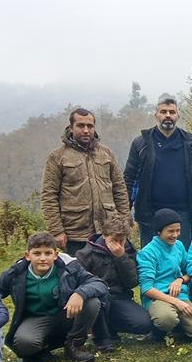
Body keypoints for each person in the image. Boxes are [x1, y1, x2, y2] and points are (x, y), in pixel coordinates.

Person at [0, 232, 108, 362]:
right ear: (27, 255)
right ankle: (43, 348)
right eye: (37, 253)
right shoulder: (16, 272)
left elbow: (98, 283)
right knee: (23, 345)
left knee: (91, 302)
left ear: (55, 255)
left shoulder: (69, 266)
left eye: (48, 253)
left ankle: (75, 344)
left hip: (66, 314)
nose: (42, 258)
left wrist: (79, 294)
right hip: (36, 319)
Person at [41, 107, 129, 255]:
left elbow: (119, 189)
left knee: (108, 277)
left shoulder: (106, 154)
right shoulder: (57, 157)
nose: (86, 130)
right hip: (75, 234)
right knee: (77, 276)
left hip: (108, 232)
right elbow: (49, 196)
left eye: (90, 126)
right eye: (81, 126)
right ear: (71, 128)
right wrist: (57, 231)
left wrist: (124, 224)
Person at [124, 97, 192, 248]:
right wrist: (126, 209)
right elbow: (129, 177)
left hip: (182, 212)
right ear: (156, 115)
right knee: (151, 259)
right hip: (150, 212)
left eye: (172, 112)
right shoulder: (141, 143)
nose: (168, 115)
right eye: (163, 111)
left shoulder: (190, 142)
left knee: (182, 259)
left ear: (178, 115)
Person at [75, 214, 156, 345]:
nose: (118, 244)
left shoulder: (129, 250)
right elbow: (78, 282)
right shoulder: (86, 253)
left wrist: (121, 257)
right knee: (96, 305)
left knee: (144, 324)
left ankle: (111, 325)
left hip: (119, 298)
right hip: (97, 299)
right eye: (114, 240)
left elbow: (132, 282)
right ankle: (99, 332)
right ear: (104, 235)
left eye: (121, 240)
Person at [137, 208, 192, 340]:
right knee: (166, 319)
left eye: (178, 230)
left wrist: (180, 279)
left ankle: (179, 326)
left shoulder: (179, 246)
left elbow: (190, 269)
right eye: (170, 231)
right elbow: (146, 288)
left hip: (181, 296)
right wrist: (176, 303)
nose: (175, 235)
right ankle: (161, 328)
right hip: (158, 298)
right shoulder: (147, 253)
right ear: (159, 231)